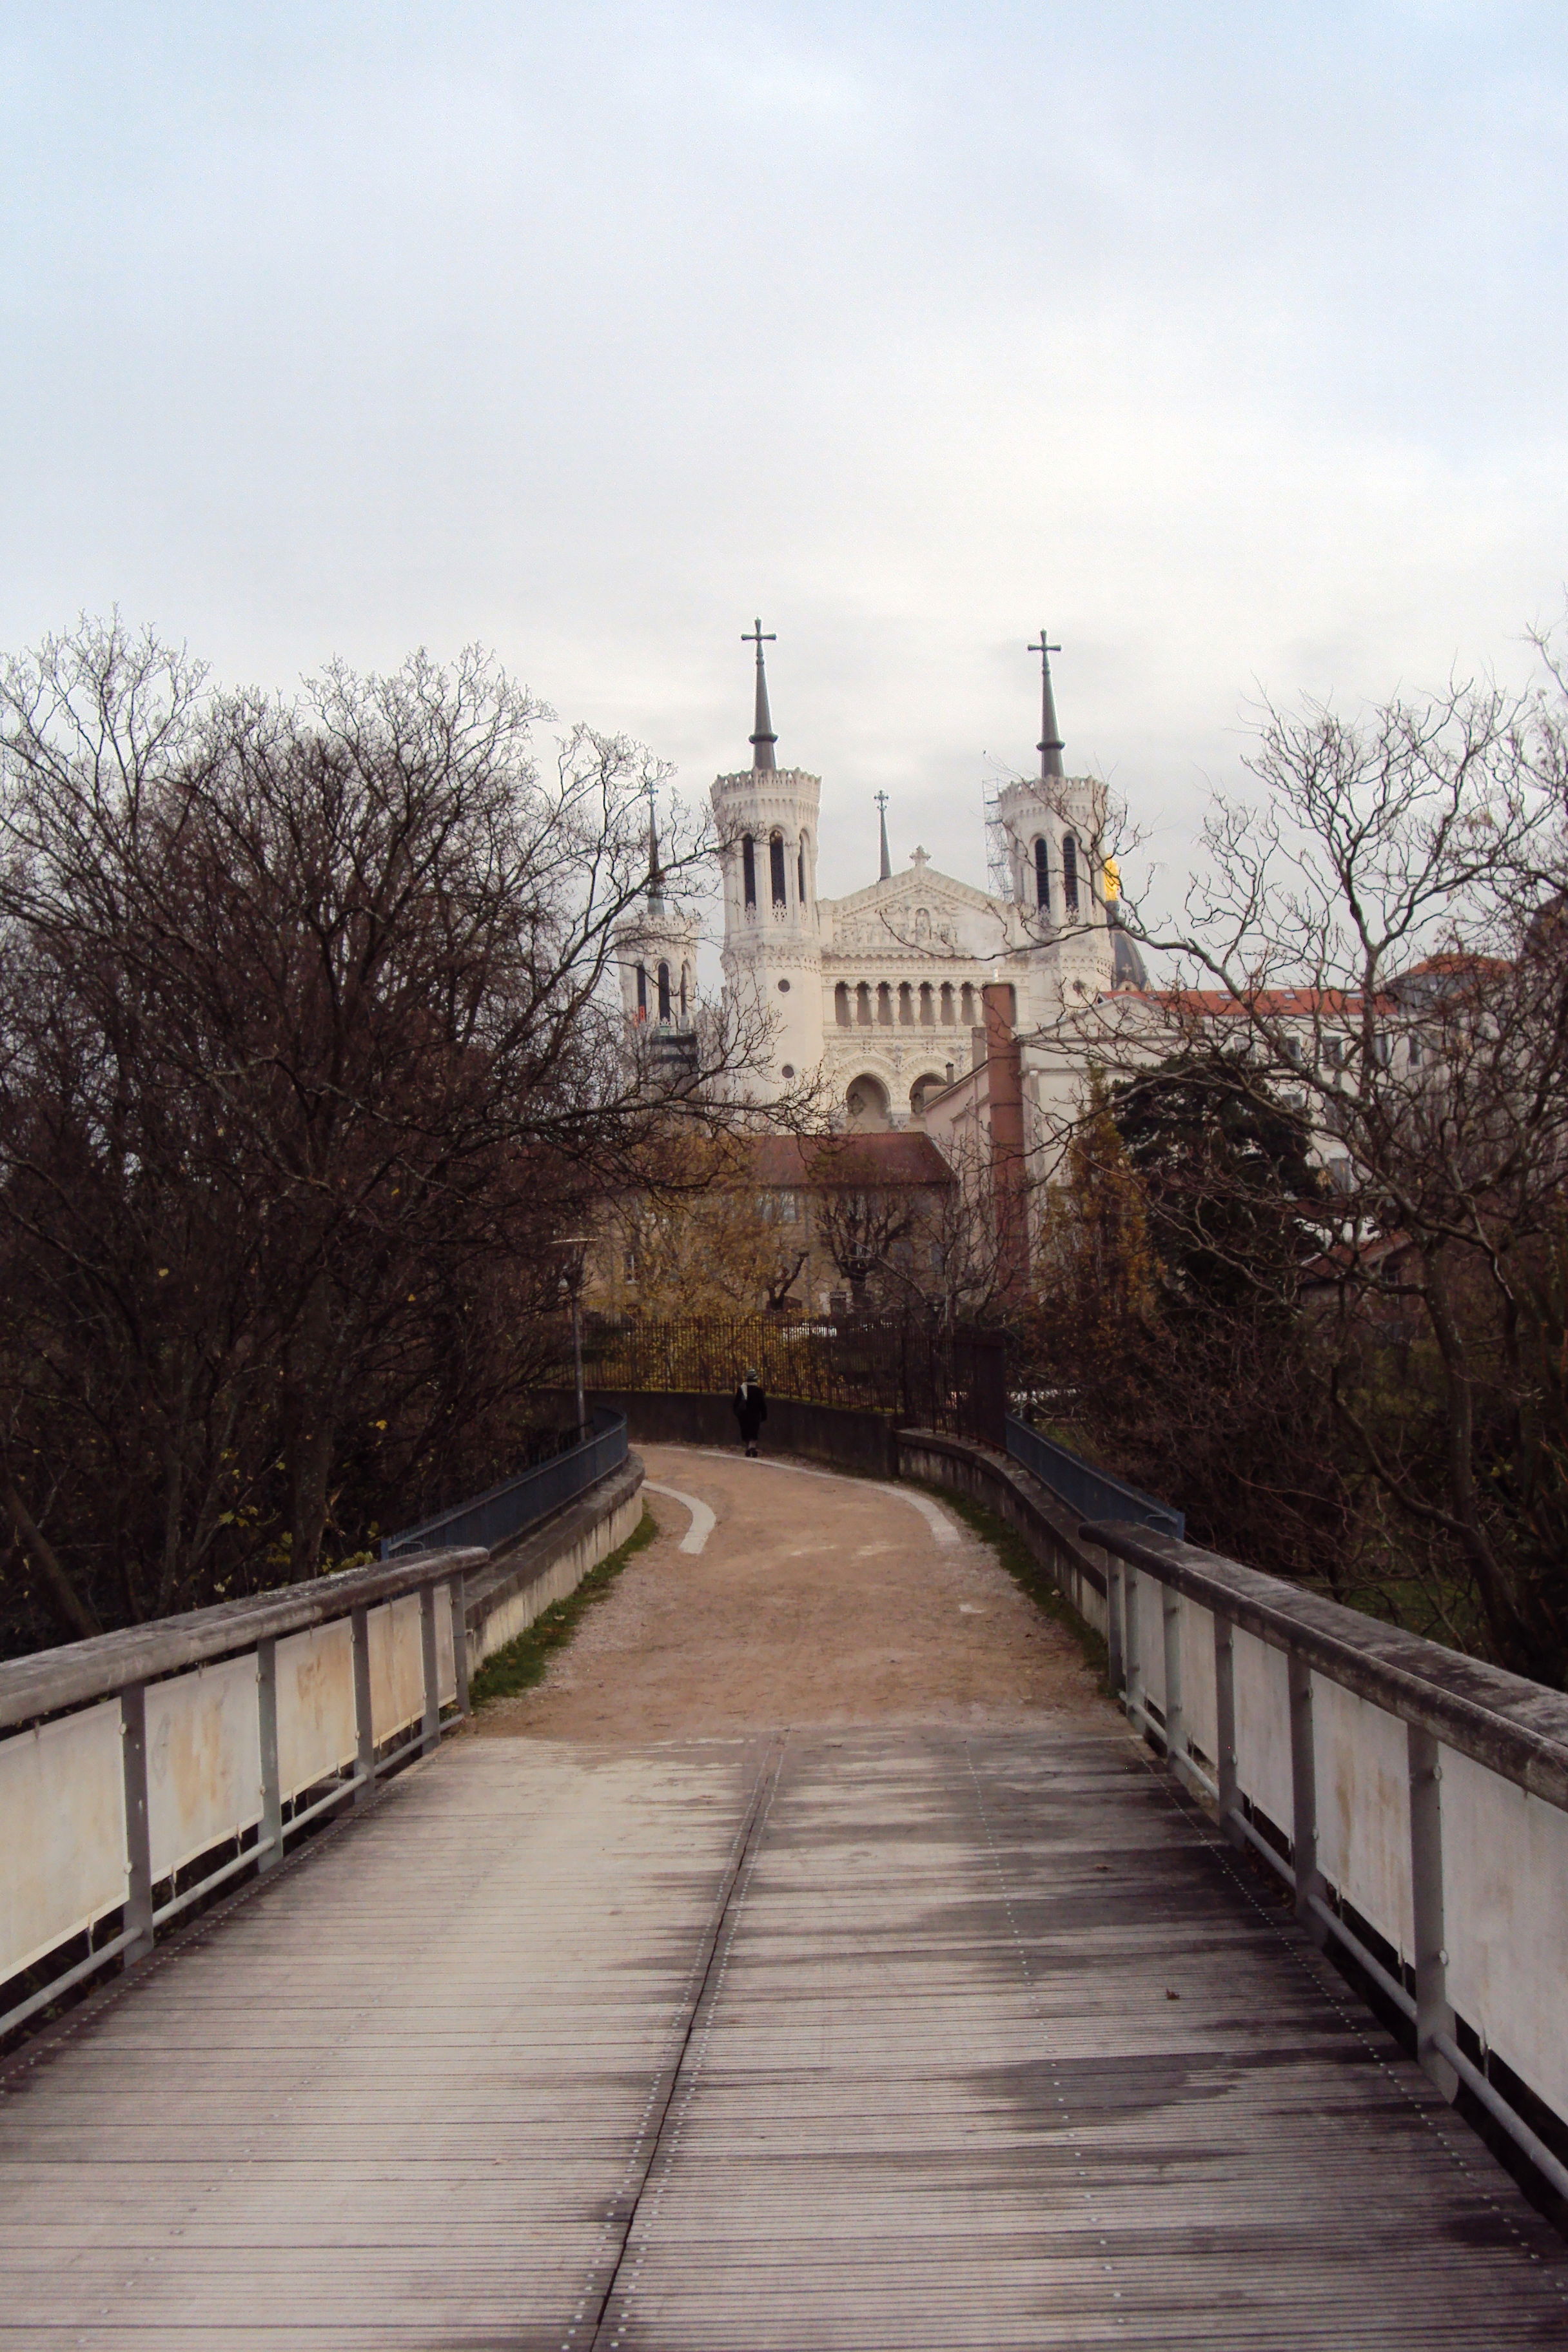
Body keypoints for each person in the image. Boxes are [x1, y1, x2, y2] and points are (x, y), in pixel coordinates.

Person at [732, 1367, 767, 1458]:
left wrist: (737, 1413)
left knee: (746, 1431)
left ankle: (748, 1447)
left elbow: (736, 1403)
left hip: (744, 1415)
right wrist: (764, 1415)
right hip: (755, 1415)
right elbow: (762, 1405)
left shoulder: (742, 1389)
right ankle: (753, 1447)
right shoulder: (759, 1391)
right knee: (754, 1432)